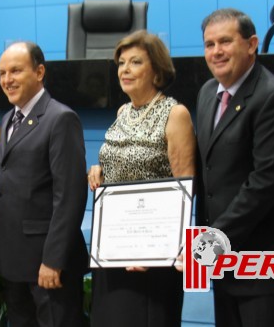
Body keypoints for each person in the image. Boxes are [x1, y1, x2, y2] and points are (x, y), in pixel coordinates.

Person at [195, 8, 274, 327]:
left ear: (251, 44)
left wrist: (209, 244)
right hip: (227, 263)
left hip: (271, 267)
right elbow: (206, 172)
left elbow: (264, 184)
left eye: (225, 41)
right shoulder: (209, 94)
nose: (216, 51)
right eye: (209, 44)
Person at [87, 31, 196, 327]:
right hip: (113, 247)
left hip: (152, 256)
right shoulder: (123, 111)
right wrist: (99, 170)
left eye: (135, 62)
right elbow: (122, 161)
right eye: (121, 63)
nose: (125, 69)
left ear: (157, 70)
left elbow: (185, 188)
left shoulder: (175, 114)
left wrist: (156, 249)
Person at [0, 41, 88, 327]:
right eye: (2, 73)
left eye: (15, 71)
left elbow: (69, 196)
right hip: (14, 262)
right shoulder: (8, 118)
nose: (7, 80)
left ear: (39, 72)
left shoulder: (60, 118)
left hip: (48, 265)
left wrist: (53, 260)